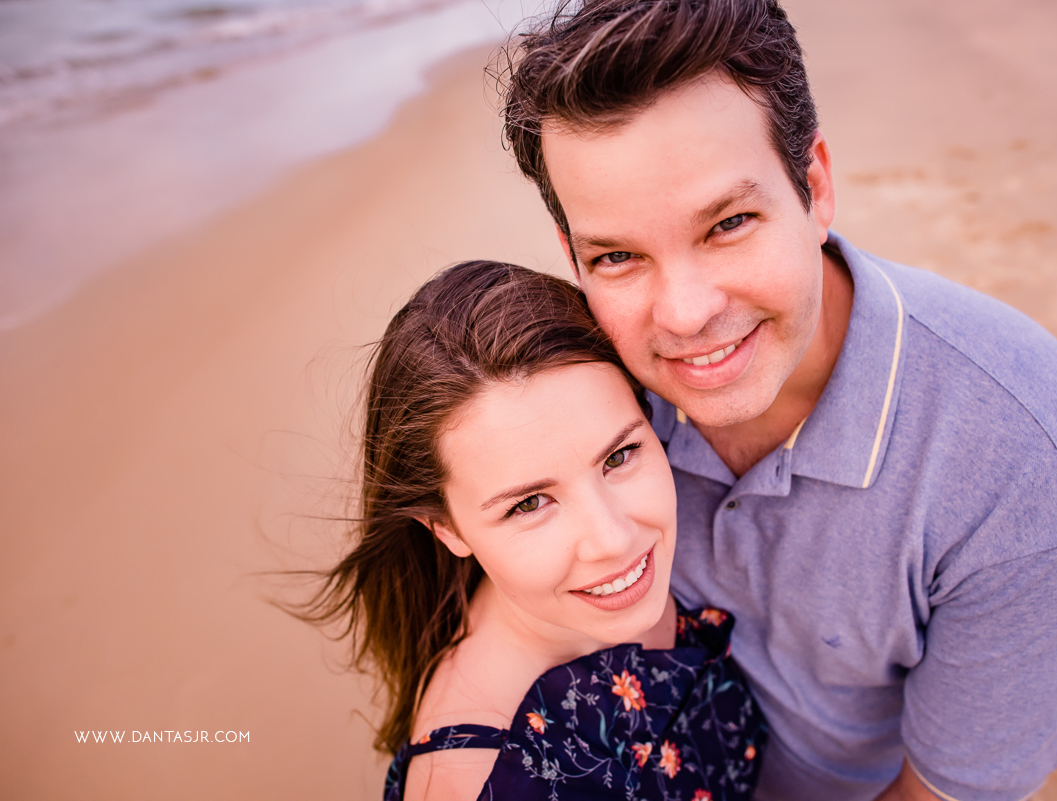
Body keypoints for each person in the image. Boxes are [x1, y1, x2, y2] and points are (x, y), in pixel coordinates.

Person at [498, 1, 1057, 800]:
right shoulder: (579, 379)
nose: (684, 315)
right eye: (618, 255)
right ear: (573, 257)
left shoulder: (1022, 456)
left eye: (729, 223)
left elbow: (943, 793)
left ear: (816, 185)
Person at [303, 261, 767, 801]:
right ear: (446, 528)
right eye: (529, 504)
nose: (613, 540)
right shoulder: (482, 781)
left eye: (619, 456)